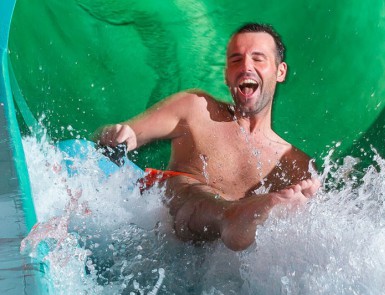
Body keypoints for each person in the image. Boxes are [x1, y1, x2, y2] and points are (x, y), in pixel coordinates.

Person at [96, 23, 320, 251]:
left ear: (280, 71)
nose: (246, 67)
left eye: (258, 58)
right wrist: (118, 134)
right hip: (157, 239)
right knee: (181, 184)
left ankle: (241, 216)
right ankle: (231, 216)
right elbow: (129, 133)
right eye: (236, 60)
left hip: (214, 266)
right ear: (226, 75)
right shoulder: (196, 109)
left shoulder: (295, 166)